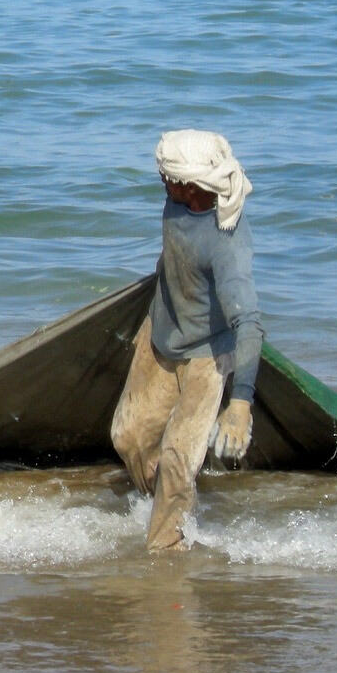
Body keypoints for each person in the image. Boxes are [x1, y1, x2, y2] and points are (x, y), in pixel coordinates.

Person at [110, 129, 266, 552]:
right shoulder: (177, 201)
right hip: (162, 333)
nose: (161, 179)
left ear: (192, 185)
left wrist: (240, 404)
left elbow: (249, 323)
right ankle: (161, 503)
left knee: (178, 459)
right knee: (127, 436)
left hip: (207, 355)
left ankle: (166, 549)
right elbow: (173, 257)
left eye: (168, 176)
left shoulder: (226, 243)